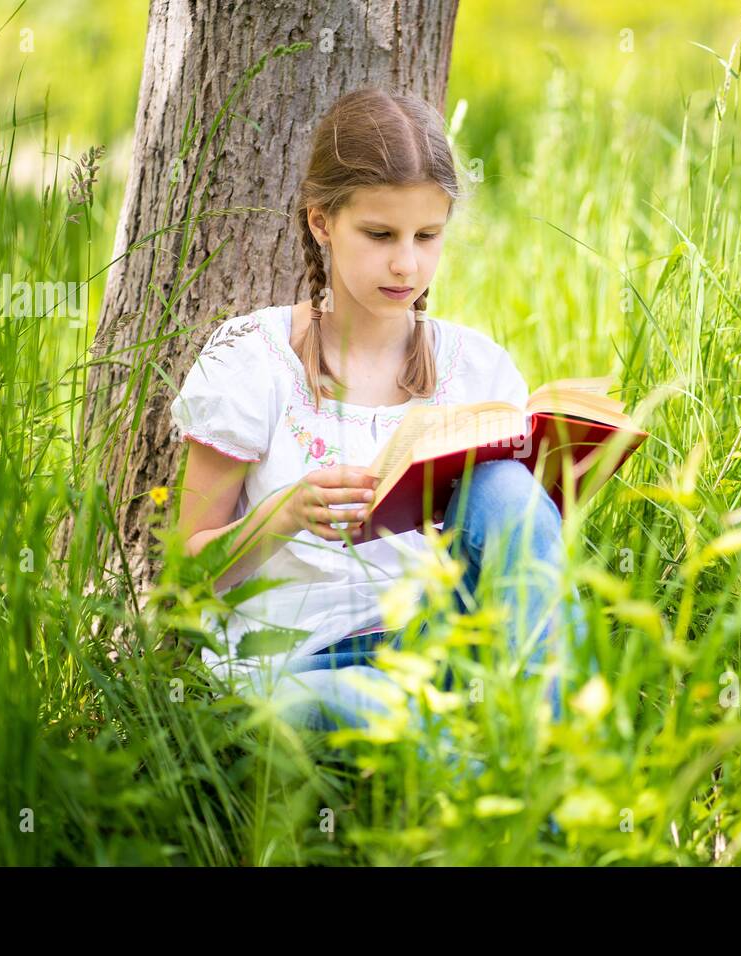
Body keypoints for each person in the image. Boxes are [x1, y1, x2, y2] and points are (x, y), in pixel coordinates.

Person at [169, 87, 588, 737]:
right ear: (321, 222)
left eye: (428, 236)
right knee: (368, 707)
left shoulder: (478, 368)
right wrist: (284, 514)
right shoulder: (251, 359)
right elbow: (185, 574)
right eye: (380, 234)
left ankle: (542, 753)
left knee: (507, 487)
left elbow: (523, 552)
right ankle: (540, 801)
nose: (407, 263)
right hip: (301, 666)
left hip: (440, 648)